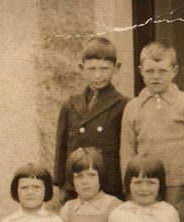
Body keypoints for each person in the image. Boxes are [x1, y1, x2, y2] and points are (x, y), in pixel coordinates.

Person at [121, 41, 184, 214]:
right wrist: (130, 183)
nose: (156, 76)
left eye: (162, 71)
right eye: (150, 71)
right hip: (146, 183)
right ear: (140, 71)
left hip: (179, 184)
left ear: (174, 71)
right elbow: (127, 150)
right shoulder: (133, 107)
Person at [54, 37, 130, 200]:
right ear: (82, 68)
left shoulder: (124, 104)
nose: (97, 75)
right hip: (77, 183)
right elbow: (61, 147)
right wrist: (61, 184)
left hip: (109, 184)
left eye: (104, 69)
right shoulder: (70, 105)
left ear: (116, 69)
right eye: (91, 69)